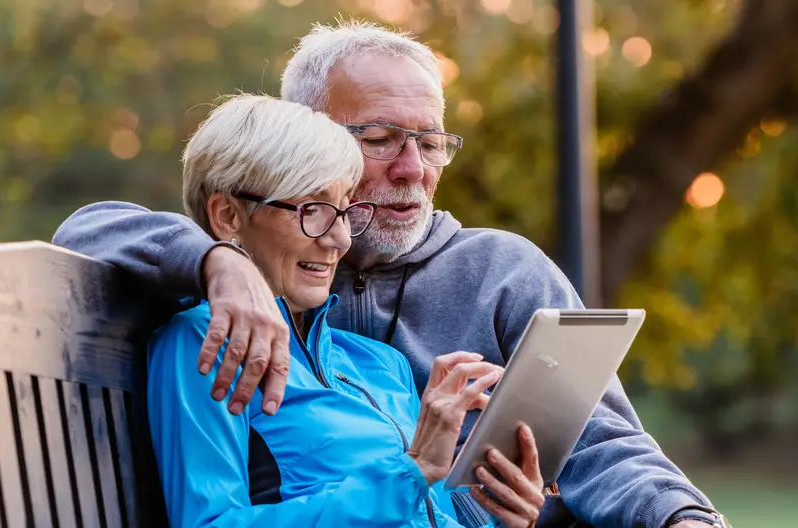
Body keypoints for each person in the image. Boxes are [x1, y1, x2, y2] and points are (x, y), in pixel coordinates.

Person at [53, 20, 727, 528]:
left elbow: (603, 444)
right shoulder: (228, 309)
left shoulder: (471, 292)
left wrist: (671, 517)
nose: (412, 169)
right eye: (379, 139)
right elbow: (90, 229)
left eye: (430, 142)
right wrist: (217, 263)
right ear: (306, 137)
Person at [150, 93, 545, 527]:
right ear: (228, 216)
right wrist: (410, 474)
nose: (339, 239)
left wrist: (507, 520)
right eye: (313, 209)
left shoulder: (378, 363)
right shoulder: (203, 342)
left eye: (344, 211)